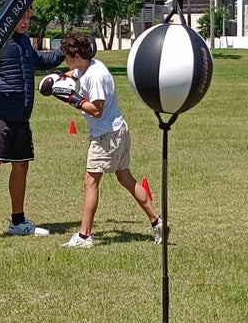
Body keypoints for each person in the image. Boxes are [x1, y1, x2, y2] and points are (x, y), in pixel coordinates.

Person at [48, 32, 163, 249]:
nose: (65, 60)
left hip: (106, 135)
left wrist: (71, 99)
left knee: (90, 182)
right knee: (126, 178)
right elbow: (74, 72)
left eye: (67, 56)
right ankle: (157, 222)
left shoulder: (94, 76)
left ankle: (84, 236)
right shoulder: (89, 66)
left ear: (77, 55)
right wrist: (59, 79)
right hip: (117, 130)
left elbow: (97, 110)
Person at [0, 1, 60, 243]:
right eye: (22, 16)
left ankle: (18, 222)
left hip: (20, 116)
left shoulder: (24, 41)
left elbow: (39, 61)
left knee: (21, 165)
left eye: (29, 15)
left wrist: (67, 52)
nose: (26, 20)